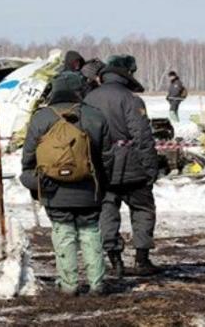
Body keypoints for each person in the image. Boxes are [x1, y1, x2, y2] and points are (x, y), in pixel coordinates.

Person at [20, 72, 112, 296]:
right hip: (88, 188)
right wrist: (100, 182)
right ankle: (97, 283)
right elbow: (107, 157)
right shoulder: (96, 116)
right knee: (90, 232)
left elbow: (28, 157)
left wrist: (37, 179)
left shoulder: (41, 118)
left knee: (63, 233)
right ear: (80, 91)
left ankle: (68, 284)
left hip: (53, 189)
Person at [84, 54, 159, 278]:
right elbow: (142, 136)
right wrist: (150, 167)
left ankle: (114, 260)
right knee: (143, 209)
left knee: (107, 211)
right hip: (132, 166)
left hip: (101, 166)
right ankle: (142, 259)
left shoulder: (89, 99)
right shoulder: (131, 100)